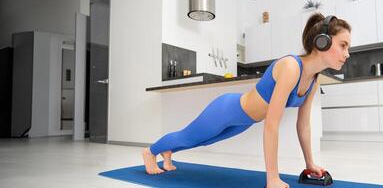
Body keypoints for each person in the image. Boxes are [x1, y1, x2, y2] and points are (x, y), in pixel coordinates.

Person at [141, 12, 352, 188]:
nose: (347, 53)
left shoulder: (314, 81)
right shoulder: (291, 67)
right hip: (227, 109)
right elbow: (271, 124)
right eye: (343, 45)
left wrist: (310, 164)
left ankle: (167, 152)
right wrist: (272, 179)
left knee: (203, 140)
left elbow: (303, 125)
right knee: (189, 136)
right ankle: (150, 152)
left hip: (244, 120)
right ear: (321, 42)